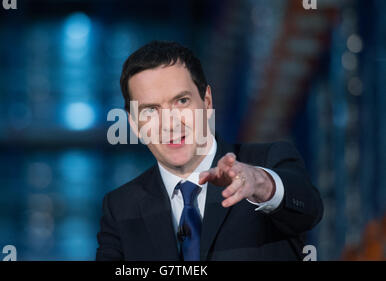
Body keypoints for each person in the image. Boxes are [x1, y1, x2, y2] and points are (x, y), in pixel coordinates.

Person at [96, 40, 323, 261]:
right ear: (134, 124)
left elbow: (310, 210)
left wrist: (261, 183)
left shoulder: (269, 159)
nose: (169, 123)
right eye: (150, 111)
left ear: (206, 102)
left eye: (181, 101)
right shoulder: (120, 207)